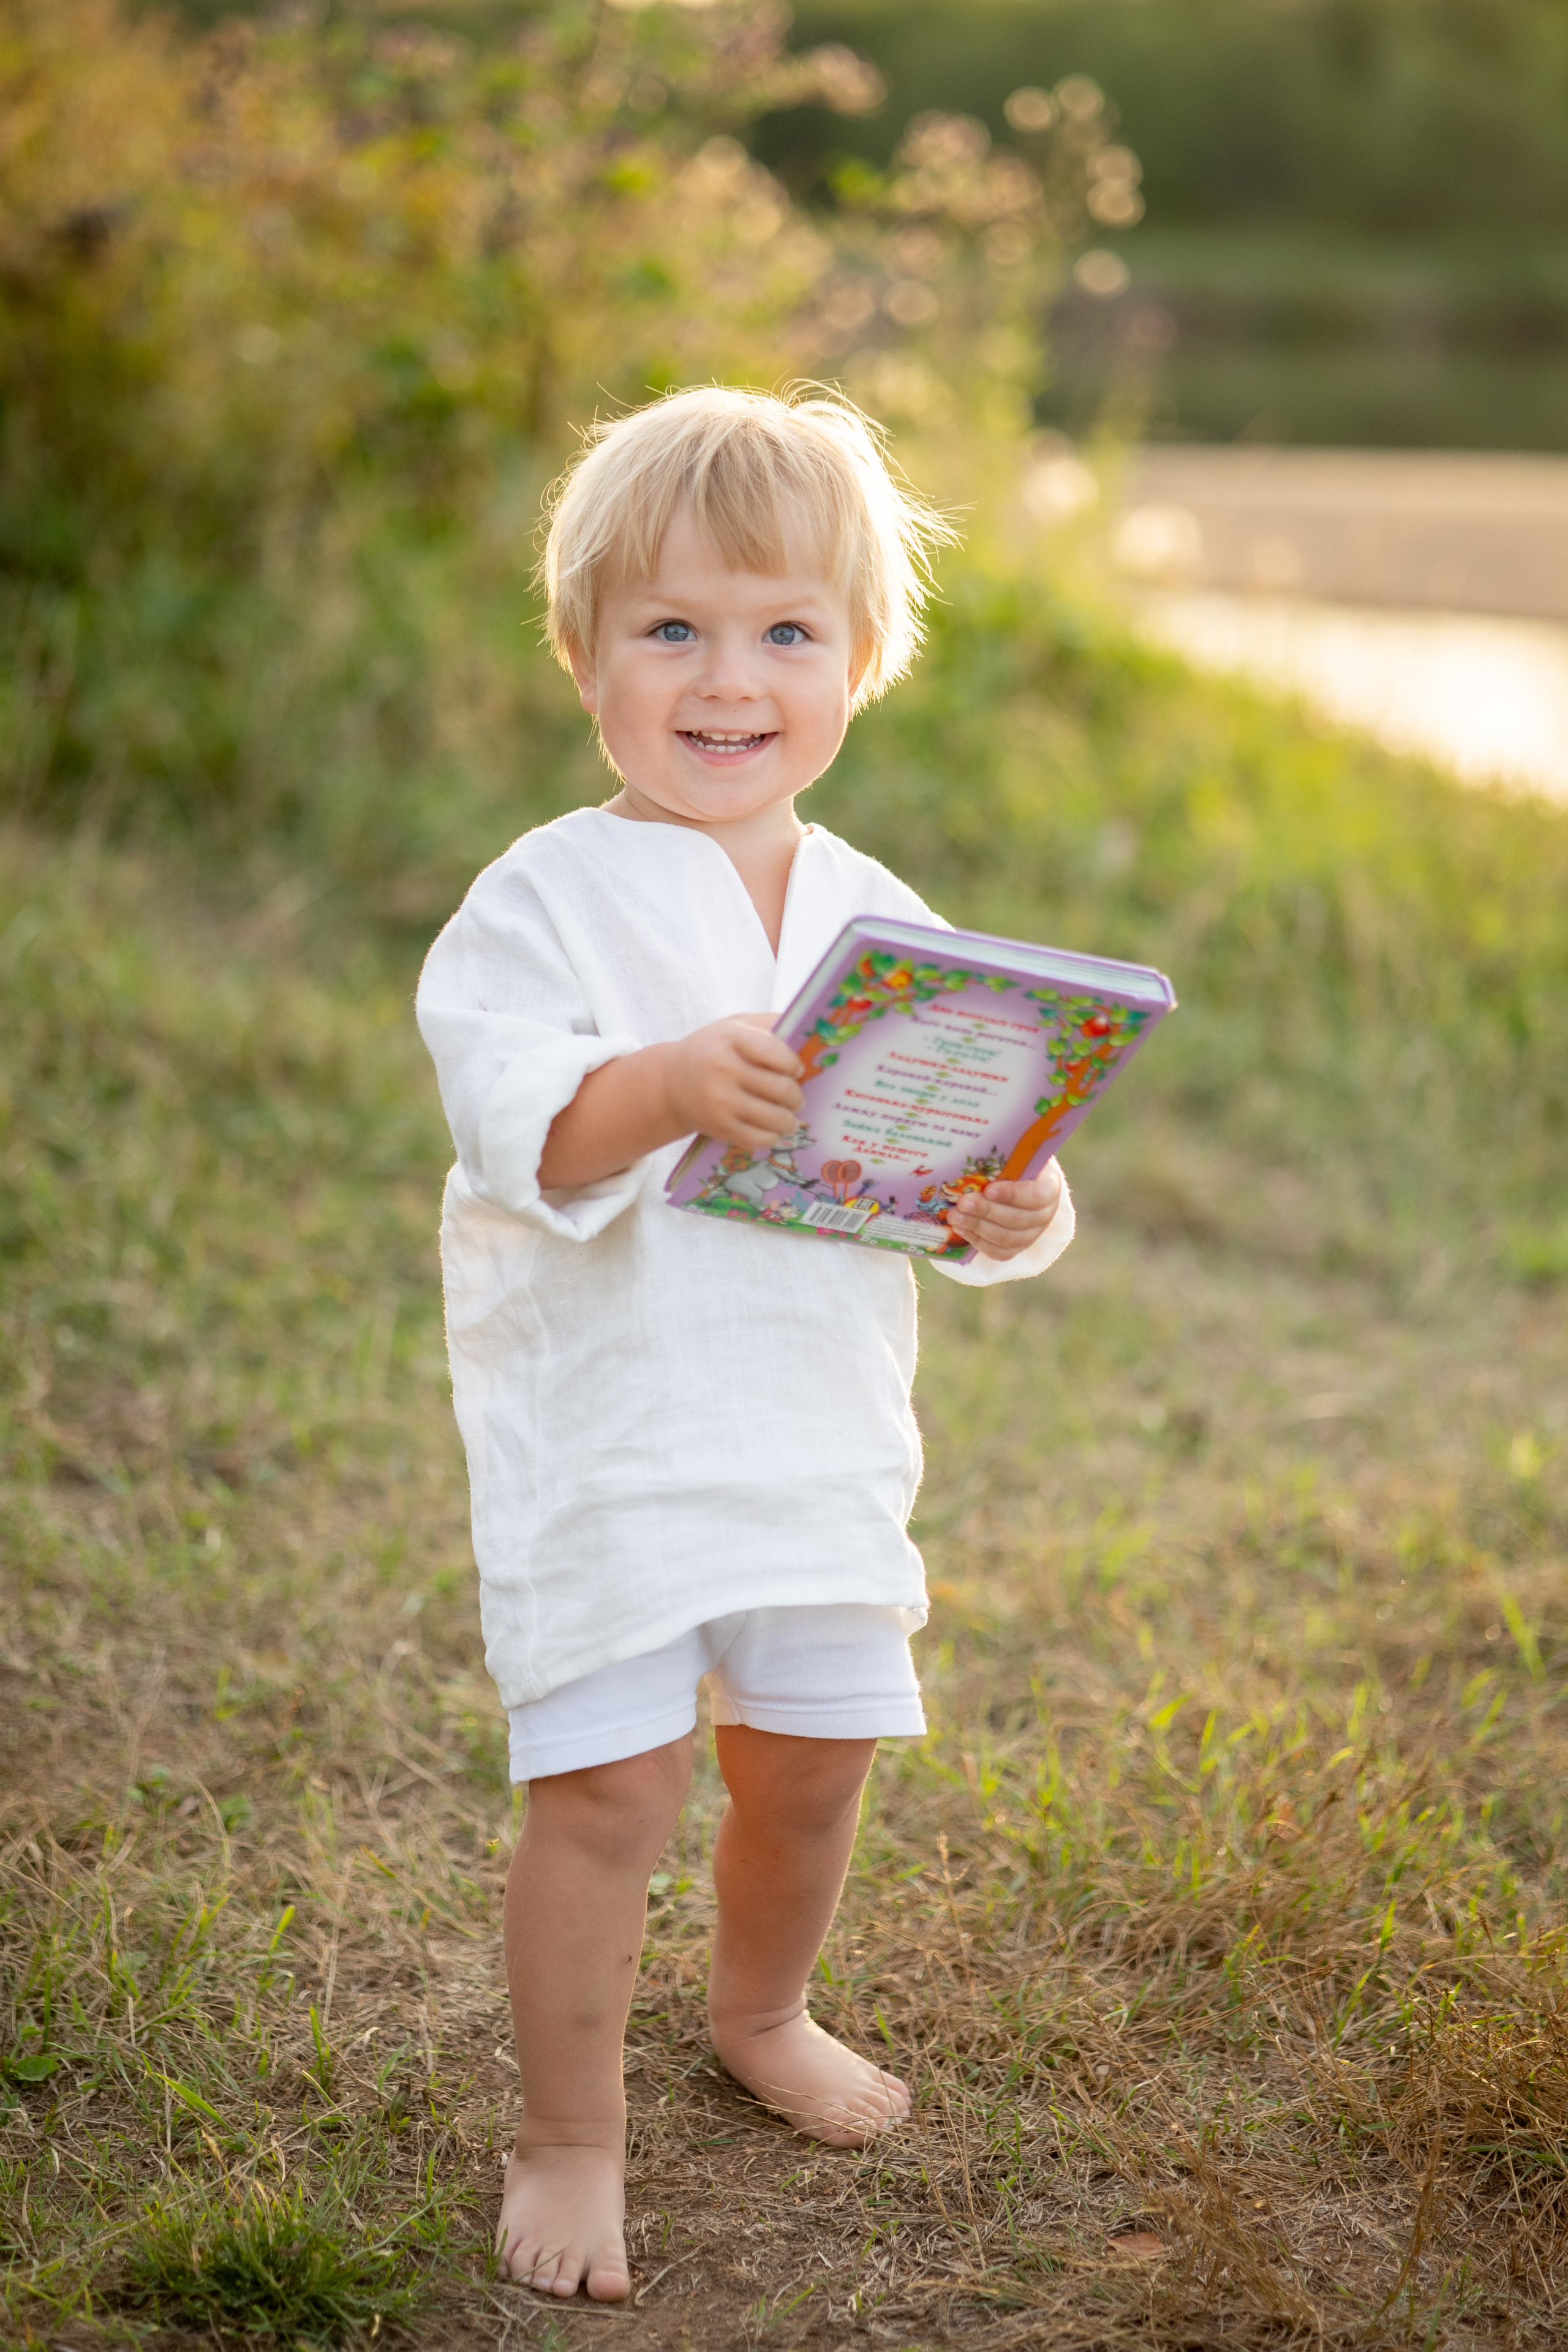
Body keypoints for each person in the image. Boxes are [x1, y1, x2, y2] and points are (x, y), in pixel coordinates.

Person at [416, 386, 1074, 2305]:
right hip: (614, 1432)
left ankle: (762, 2009)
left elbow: (964, 1128)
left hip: (811, 1432)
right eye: (672, 629)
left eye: (787, 631)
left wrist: (1011, 1210)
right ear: (587, 654)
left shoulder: (879, 916)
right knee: (609, 1792)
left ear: (862, 662)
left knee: (811, 1761)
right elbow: (518, 1130)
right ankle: (569, 2133)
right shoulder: (538, 900)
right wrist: (665, 1084)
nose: (730, 678)